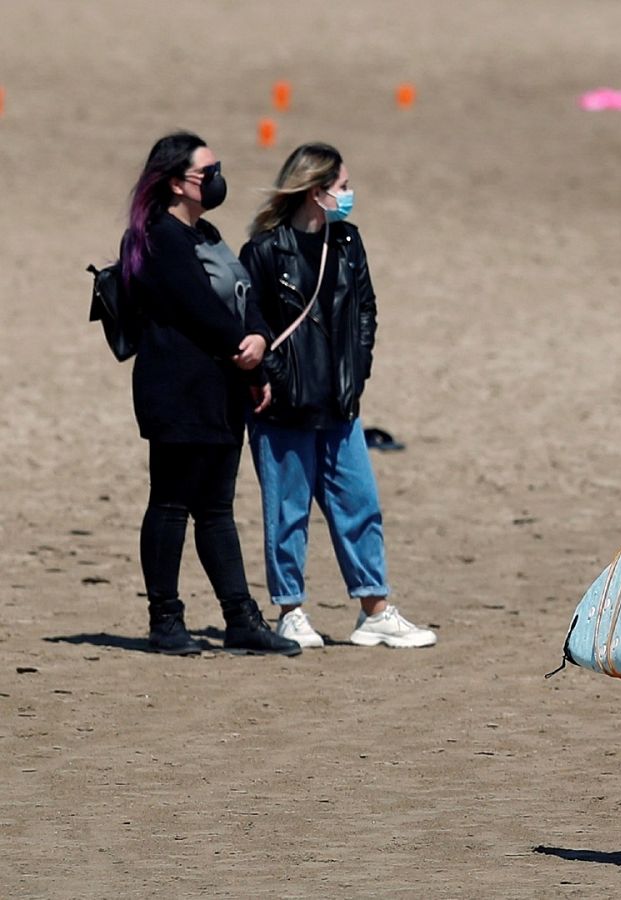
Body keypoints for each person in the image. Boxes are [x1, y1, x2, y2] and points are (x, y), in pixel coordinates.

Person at [239, 143, 436, 650]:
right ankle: (290, 610)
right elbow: (252, 322)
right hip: (282, 406)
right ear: (315, 191)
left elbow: (365, 309)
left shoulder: (347, 241)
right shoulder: (264, 250)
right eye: (342, 186)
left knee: (359, 503)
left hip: (340, 402)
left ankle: (374, 610)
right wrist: (279, 377)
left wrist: (358, 370)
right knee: (287, 512)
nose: (349, 196)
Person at [119, 130, 300, 656]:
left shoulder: (209, 233)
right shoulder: (155, 237)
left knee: (218, 508)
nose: (218, 179)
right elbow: (195, 307)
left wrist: (260, 342)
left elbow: (243, 295)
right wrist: (238, 348)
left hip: (223, 390)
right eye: (207, 171)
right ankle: (165, 619)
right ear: (177, 182)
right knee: (172, 503)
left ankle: (240, 618)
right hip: (177, 388)